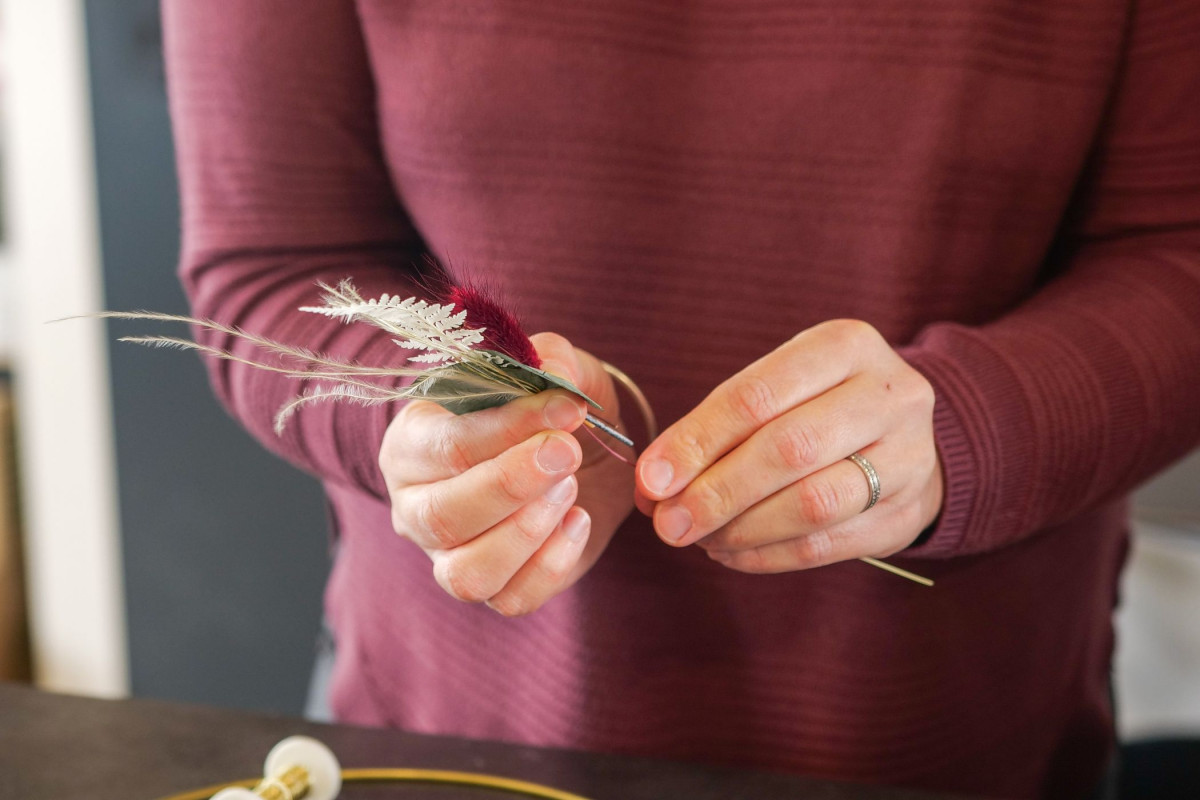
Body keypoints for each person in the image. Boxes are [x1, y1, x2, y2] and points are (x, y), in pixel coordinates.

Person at [161, 2, 1200, 798]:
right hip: (449, 733)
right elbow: (268, 268)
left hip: (962, 737)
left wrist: (974, 426)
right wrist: (448, 427)